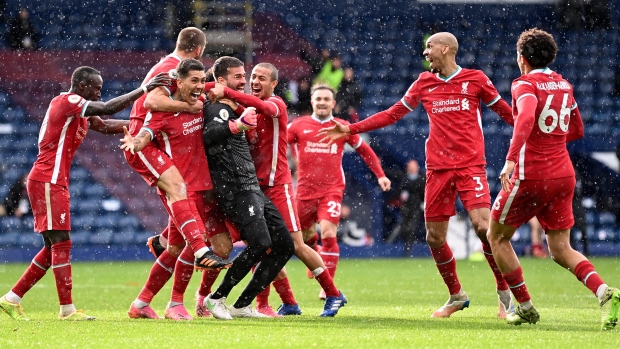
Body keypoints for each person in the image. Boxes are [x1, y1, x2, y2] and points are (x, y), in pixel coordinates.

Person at [318, 32, 516, 319]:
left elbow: (506, 112)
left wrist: (532, 135)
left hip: (470, 166)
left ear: (445, 49)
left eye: (429, 46)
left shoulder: (475, 79)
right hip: (437, 169)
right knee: (434, 237)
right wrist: (351, 128)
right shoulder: (424, 82)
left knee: (483, 227)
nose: (425, 52)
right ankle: (457, 295)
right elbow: (392, 113)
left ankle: (504, 294)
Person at [0, 66, 170, 321]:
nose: (99, 92)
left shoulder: (78, 109)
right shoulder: (69, 101)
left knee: (52, 247)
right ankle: (66, 310)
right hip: (48, 179)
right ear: (82, 86)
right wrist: (144, 90)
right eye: (96, 88)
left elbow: (105, 124)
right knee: (61, 243)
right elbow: (107, 108)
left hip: (53, 180)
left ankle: (11, 299)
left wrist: (145, 126)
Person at [486, 28, 619, 329]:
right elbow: (578, 130)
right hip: (563, 174)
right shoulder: (564, 85)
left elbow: (527, 116)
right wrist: (553, 140)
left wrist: (511, 159)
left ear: (522, 58)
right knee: (560, 248)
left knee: (496, 236)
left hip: (532, 174)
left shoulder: (524, 84)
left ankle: (525, 306)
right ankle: (605, 293)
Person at [210, 62, 347, 317]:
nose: (255, 81)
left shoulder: (275, 104)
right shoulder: (246, 110)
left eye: (262, 78)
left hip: (277, 186)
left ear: (273, 84)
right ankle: (284, 303)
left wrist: (225, 91)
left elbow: (261, 106)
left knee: (295, 245)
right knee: (262, 246)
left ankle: (333, 294)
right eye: (253, 77)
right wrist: (204, 86)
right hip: (252, 189)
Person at [120, 59, 231, 320]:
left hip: (201, 185)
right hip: (180, 189)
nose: (199, 86)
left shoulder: (202, 100)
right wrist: (136, 142)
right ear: (178, 82)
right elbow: (147, 131)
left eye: (202, 80)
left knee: (173, 249)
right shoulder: (163, 109)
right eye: (194, 80)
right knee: (195, 243)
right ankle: (175, 304)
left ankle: (141, 304)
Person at [124, 27, 224, 272]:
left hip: (156, 134)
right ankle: (200, 250)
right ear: (199, 50)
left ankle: (164, 241)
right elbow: (151, 102)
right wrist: (191, 108)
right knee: (179, 190)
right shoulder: (171, 67)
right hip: (146, 137)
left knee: (184, 195)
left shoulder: (168, 65)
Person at [201, 68, 295, 320]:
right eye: (239, 76)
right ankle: (215, 298)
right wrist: (235, 125)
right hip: (235, 188)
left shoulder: (235, 107)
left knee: (284, 245)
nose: (245, 81)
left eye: (248, 76)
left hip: (251, 185)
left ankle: (242, 304)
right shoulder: (216, 109)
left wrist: (238, 115)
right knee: (261, 244)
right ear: (221, 82)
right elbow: (207, 137)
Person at [288, 84, 391, 300]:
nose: (322, 102)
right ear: (312, 102)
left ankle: (328, 287)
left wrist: (380, 174)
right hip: (304, 191)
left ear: (333, 103)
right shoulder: (298, 125)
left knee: (328, 233)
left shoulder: (342, 127)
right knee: (304, 239)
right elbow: (277, 145)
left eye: (327, 99)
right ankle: (314, 252)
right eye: (319, 99)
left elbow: (365, 150)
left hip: (331, 190)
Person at [398, 159, 425, 256]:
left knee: (412, 227)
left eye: (414, 166)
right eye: (410, 166)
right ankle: (403, 245)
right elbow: (400, 189)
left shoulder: (422, 178)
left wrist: (423, 202)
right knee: (403, 226)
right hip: (406, 206)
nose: (412, 169)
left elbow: (424, 192)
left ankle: (408, 248)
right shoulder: (404, 178)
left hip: (417, 206)